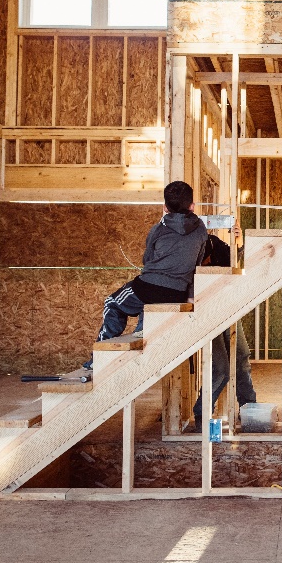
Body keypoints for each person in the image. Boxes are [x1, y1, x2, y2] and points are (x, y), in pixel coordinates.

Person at [83, 181, 208, 371]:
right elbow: (196, 266)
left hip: (149, 287)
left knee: (112, 303)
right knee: (147, 306)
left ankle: (99, 359)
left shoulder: (159, 228)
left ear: (165, 207)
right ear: (192, 206)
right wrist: (189, 295)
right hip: (177, 293)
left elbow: (147, 260)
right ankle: (142, 329)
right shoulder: (201, 230)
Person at [189, 233, 257, 432]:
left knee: (241, 356)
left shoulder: (213, 243)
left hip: (225, 308)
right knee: (221, 369)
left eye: (207, 257)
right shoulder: (185, 253)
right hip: (203, 313)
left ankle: (249, 407)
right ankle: (202, 412)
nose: (206, 261)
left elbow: (237, 261)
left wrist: (239, 244)